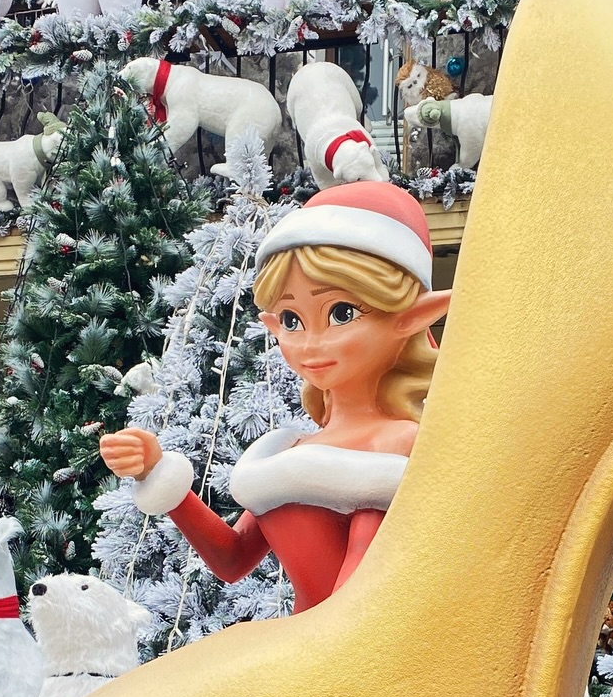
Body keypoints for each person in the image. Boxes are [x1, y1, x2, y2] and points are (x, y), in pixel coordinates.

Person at [99, 181, 452, 612]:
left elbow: (357, 605)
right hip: (306, 642)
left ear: (410, 318)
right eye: (291, 319)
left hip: (354, 648)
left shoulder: (393, 443)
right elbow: (232, 559)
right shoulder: (287, 450)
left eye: (341, 313)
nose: (311, 343)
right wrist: (159, 474)